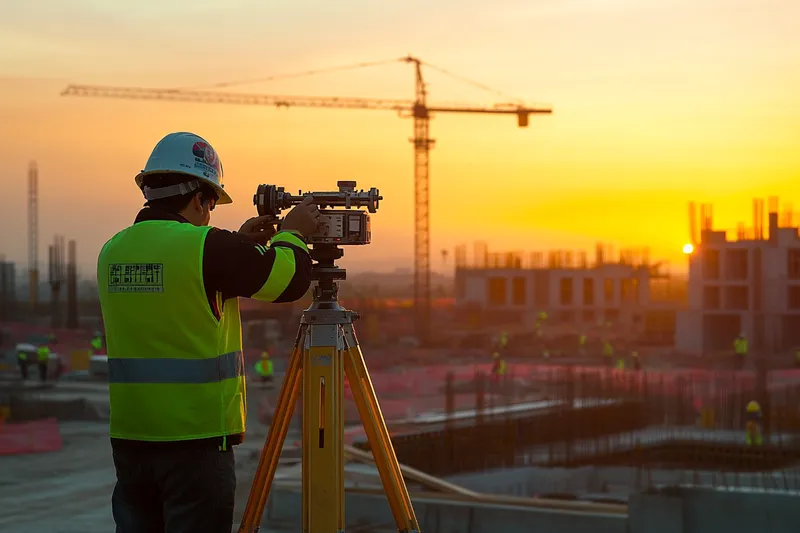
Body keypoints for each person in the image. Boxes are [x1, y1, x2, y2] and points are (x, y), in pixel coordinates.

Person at [96, 132, 319, 533]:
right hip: (195, 442)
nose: (211, 213)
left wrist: (237, 245)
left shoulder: (113, 249)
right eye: (212, 202)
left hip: (131, 440)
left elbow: (179, 284)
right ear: (199, 197)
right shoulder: (207, 249)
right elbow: (290, 281)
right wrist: (294, 234)